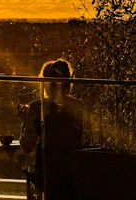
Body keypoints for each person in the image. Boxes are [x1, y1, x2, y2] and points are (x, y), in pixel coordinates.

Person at [19, 59, 91, 198]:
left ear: (45, 84)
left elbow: (26, 146)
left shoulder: (37, 108)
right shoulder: (78, 107)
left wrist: (25, 121)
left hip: (46, 176)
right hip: (72, 175)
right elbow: (86, 142)